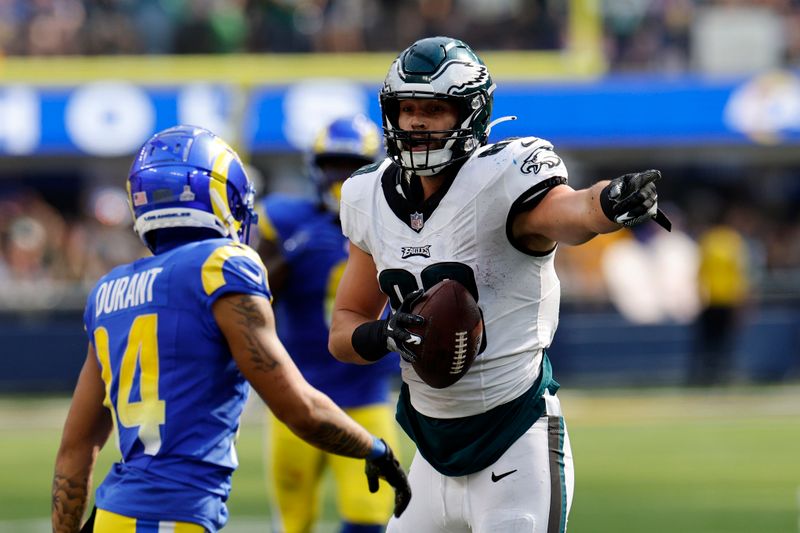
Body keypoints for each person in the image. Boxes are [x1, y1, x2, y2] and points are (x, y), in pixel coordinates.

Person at [327, 36, 669, 533]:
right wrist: (385, 335)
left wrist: (609, 203)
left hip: (514, 442)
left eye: (435, 109)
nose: (417, 122)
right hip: (429, 453)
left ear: (469, 115)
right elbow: (343, 330)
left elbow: (570, 212)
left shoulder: (503, 176)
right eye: (408, 109)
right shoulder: (367, 195)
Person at [51, 125, 411, 533]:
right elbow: (301, 410)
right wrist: (376, 449)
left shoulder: (109, 289)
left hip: (113, 514)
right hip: (172, 515)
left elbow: (75, 450)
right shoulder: (222, 266)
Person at [255, 115, 401, 533]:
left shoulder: (392, 222)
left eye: (352, 165)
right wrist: (291, 255)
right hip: (296, 393)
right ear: (314, 167)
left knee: (369, 518)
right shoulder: (285, 219)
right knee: (295, 522)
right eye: (333, 163)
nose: (340, 175)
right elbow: (254, 295)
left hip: (363, 392)